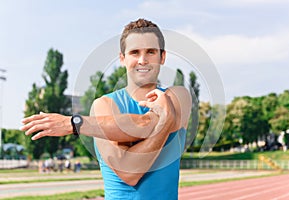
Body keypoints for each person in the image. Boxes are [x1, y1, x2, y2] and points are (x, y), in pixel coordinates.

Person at [20, 18, 192, 200]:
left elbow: (143, 124)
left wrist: (76, 123)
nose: (142, 60)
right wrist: (165, 121)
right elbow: (129, 173)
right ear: (122, 59)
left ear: (162, 57)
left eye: (150, 52)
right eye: (135, 52)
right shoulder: (104, 105)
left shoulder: (179, 96)